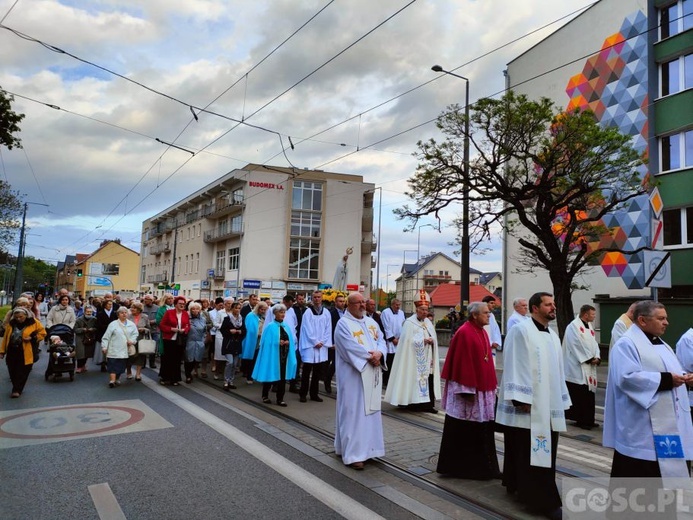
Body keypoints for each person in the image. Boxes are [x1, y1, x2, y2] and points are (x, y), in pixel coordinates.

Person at [496, 292, 570, 520]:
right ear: (535, 308)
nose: (553, 308)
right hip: (528, 405)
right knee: (528, 450)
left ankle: (515, 483)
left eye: (553, 304)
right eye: (548, 305)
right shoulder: (521, 330)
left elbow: (558, 370)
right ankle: (538, 499)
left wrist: (562, 399)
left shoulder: (553, 335)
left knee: (532, 450)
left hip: (547, 405)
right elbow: (514, 361)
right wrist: (520, 397)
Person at [604, 301, 693, 478]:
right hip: (643, 428)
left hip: (670, 424)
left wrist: (684, 376)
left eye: (666, 318)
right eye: (661, 318)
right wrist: (668, 379)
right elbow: (626, 378)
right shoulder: (626, 344)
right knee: (642, 486)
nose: (666, 322)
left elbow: (667, 368)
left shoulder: (660, 344)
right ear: (642, 320)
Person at [437, 302, 500, 480]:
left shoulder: (481, 331)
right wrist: (466, 390)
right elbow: (461, 365)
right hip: (469, 393)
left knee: (483, 430)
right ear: (474, 315)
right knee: (466, 430)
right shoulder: (465, 332)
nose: (489, 315)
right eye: (486, 313)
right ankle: (467, 469)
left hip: (482, 389)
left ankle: (487, 468)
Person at [334, 292, 387, 469]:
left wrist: (379, 354)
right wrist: (369, 357)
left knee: (370, 412)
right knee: (353, 412)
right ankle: (353, 454)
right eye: (358, 303)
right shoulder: (343, 324)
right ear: (349, 305)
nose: (363, 306)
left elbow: (381, 341)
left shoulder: (371, 322)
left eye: (364, 302)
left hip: (372, 374)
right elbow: (349, 347)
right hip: (353, 376)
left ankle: (370, 450)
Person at [385, 289, 440, 413]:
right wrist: (422, 341)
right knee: (414, 379)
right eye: (423, 310)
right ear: (417, 310)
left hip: (428, 358)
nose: (425, 313)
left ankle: (427, 405)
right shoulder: (409, 323)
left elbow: (434, 337)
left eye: (427, 310)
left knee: (428, 378)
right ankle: (412, 403)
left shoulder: (428, 323)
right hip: (413, 360)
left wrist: (432, 341)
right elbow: (406, 342)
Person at [562, 304, 601, 429]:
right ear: (585, 314)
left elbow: (594, 343)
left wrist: (597, 357)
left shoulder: (589, 326)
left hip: (588, 364)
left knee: (589, 394)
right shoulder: (573, 326)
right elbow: (576, 344)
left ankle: (589, 419)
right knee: (580, 393)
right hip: (577, 366)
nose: (594, 317)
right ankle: (581, 419)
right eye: (593, 314)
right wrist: (589, 358)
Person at [252, 304, 297, 407]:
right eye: (280, 312)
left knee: (282, 377)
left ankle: (280, 398)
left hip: (284, 356)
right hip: (273, 356)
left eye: (284, 312)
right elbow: (266, 342)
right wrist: (277, 342)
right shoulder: (270, 326)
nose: (283, 314)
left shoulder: (286, 326)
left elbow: (290, 338)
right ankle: (265, 395)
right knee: (270, 373)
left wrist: (287, 342)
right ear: (275, 314)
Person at [0, 307, 46, 398]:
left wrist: (32, 338)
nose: (18, 319)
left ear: (25, 315)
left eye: (21, 317)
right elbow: (6, 338)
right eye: (16, 317)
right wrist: (2, 351)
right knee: (12, 370)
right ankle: (16, 386)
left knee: (23, 371)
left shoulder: (33, 322)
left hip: (26, 350)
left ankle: (17, 390)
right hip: (12, 350)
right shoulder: (11, 324)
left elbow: (43, 333)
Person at [298, 291, 332, 403]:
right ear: (312, 299)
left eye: (319, 297)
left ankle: (314, 394)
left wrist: (322, 341)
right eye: (315, 297)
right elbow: (306, 329)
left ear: (322, 298)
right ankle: (303, 393)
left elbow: (328, 329)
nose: (317, 299)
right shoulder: (308, 312)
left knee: (317, 372)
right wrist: (315, 341)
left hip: (321, 346)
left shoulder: (326, 312)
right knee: (306, 371)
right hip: (310, 346)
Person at [101, 307, 138, 388]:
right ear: (118, 315)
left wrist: (132, 341)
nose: (124, 314)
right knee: (112, 364)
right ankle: (112, 380)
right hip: (113, 348)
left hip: (124, 349)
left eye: (125, 312)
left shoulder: (131, 325)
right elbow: (106, 336)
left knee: (121, 366)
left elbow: (135, 334)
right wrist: (104, 346)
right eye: (122, 313)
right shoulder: (113, 324)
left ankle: (117, 378)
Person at [158, 296, 190, 386]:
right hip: (169, 339)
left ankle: (175, 378)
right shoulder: (169, 313)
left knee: (177, 360)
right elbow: (162, 325)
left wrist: (185, 330)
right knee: (168, 359)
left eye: (183, 304)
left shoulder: (185, 314)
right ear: (175, 304)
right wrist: (172, 329)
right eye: (180, 304)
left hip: (180, 339)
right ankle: (165, 377)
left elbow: (188, 325)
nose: (182, 305)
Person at [219, 301, 246, 390]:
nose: (237, 310)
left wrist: (240, 332)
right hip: (229, 343)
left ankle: (231, 380)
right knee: (230, 362)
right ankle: (226, 381)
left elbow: (244, 331)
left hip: (237, 343)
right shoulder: (227, 319)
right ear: (232, 309)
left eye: (239, 308)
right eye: (236, 308)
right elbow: (223, 330)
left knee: (235, 364)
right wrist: (230, 331)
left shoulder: (241, 319)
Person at [380, 298, 405, 387]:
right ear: (392, 304)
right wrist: (392, 339)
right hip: (390, 341)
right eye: (396, 305)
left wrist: (401, 337)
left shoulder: (401, 313)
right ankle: (385, 381)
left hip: (399, 340)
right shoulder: (386, 312)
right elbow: (385, 326)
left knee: (396, 362)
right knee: (389, 362)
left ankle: (393, 380)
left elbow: (403, 325)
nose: (398, 307)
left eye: (399, 305)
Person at [241, 301, 268, 383]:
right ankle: (249, 376)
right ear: (258, 308)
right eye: (262, 309)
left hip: (260, 341)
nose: (263, 311)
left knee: (256, 359)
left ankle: (253, 375)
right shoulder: (251, 315)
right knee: (250, 359)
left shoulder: (263, 317)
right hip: (252, 340)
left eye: (264, 310)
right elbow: (249, 328)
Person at [326, 294, 347, 394]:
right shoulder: (331, 313)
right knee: (333, 364)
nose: (342, 303)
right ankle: (327, 382)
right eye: (340, 301)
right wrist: (331, 343)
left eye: (343, 301)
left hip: (344, 343)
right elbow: (329, 329)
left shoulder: (347, 313)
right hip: (334, 343)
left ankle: (342, 387)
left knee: (342, 366)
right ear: (335, 302)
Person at [184, 302, 208, 384]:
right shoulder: (186, 317)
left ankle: (191, 372)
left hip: (199, 342)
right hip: (189, 341)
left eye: (197, 309)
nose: (195, 310)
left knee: (196, 359)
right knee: (188, 359)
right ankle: (188, 375)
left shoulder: (203, 319)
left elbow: (205, 330)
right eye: (193, 309)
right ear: (190, 310)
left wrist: (203, 339)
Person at [127, 302, 151, 382]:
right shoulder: (128, 316)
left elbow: (149, 329)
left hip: (141, 339)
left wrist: (144, 329)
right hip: (130, 339)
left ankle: (138, 374)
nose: (132, 309)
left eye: (134, 308)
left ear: (139, 309)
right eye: (131, 307)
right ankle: (129, 371)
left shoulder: (145, 317)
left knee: (140, 357)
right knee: (129, 356)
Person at [212, 297, 234, 381]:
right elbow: (215, 323)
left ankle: (226, 374)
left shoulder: (233, 313)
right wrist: (224, 327)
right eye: (228, 303)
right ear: (224, 304)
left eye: (231, 303)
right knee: (219, 356)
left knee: (228, 358)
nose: (230, 305)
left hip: (230, 337)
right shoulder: (220, 312)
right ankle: (217, 372)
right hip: (221, 336)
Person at [95, 299, 118, 372]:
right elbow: (98, 324)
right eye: (108, 304)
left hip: (112, 334)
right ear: (105, 305)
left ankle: (110, 363)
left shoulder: (114, 313)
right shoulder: (100, 313)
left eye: (111, 304)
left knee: (111, 349)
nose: (110, 306)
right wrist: (108, 326)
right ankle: (103, 363)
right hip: (102, 333)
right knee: (103, 349)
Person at [74, 306, 97, 373]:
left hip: (90, 337)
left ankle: (83, 365)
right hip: (80, 338)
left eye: (90, 312)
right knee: (80, 353)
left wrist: (92, 329)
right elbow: (75, 329)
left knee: (87, 352)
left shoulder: (94, 319)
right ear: (84, 312)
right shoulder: (78, 320)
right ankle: (79, 367)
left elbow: (97, 328)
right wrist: (82, 329)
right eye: (88, 312)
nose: (89, 313)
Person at [141, 294, 159, 369]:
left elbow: (159, 318)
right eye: (145, 299)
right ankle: (143, 363)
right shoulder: (142, 307)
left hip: (154, 330)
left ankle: (152, 362)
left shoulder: (157, 308)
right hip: (144, 330)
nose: (146, 300)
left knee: (153, 347)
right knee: (143, 346)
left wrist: (152, 321)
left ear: (152, 300)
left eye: (147, 299)